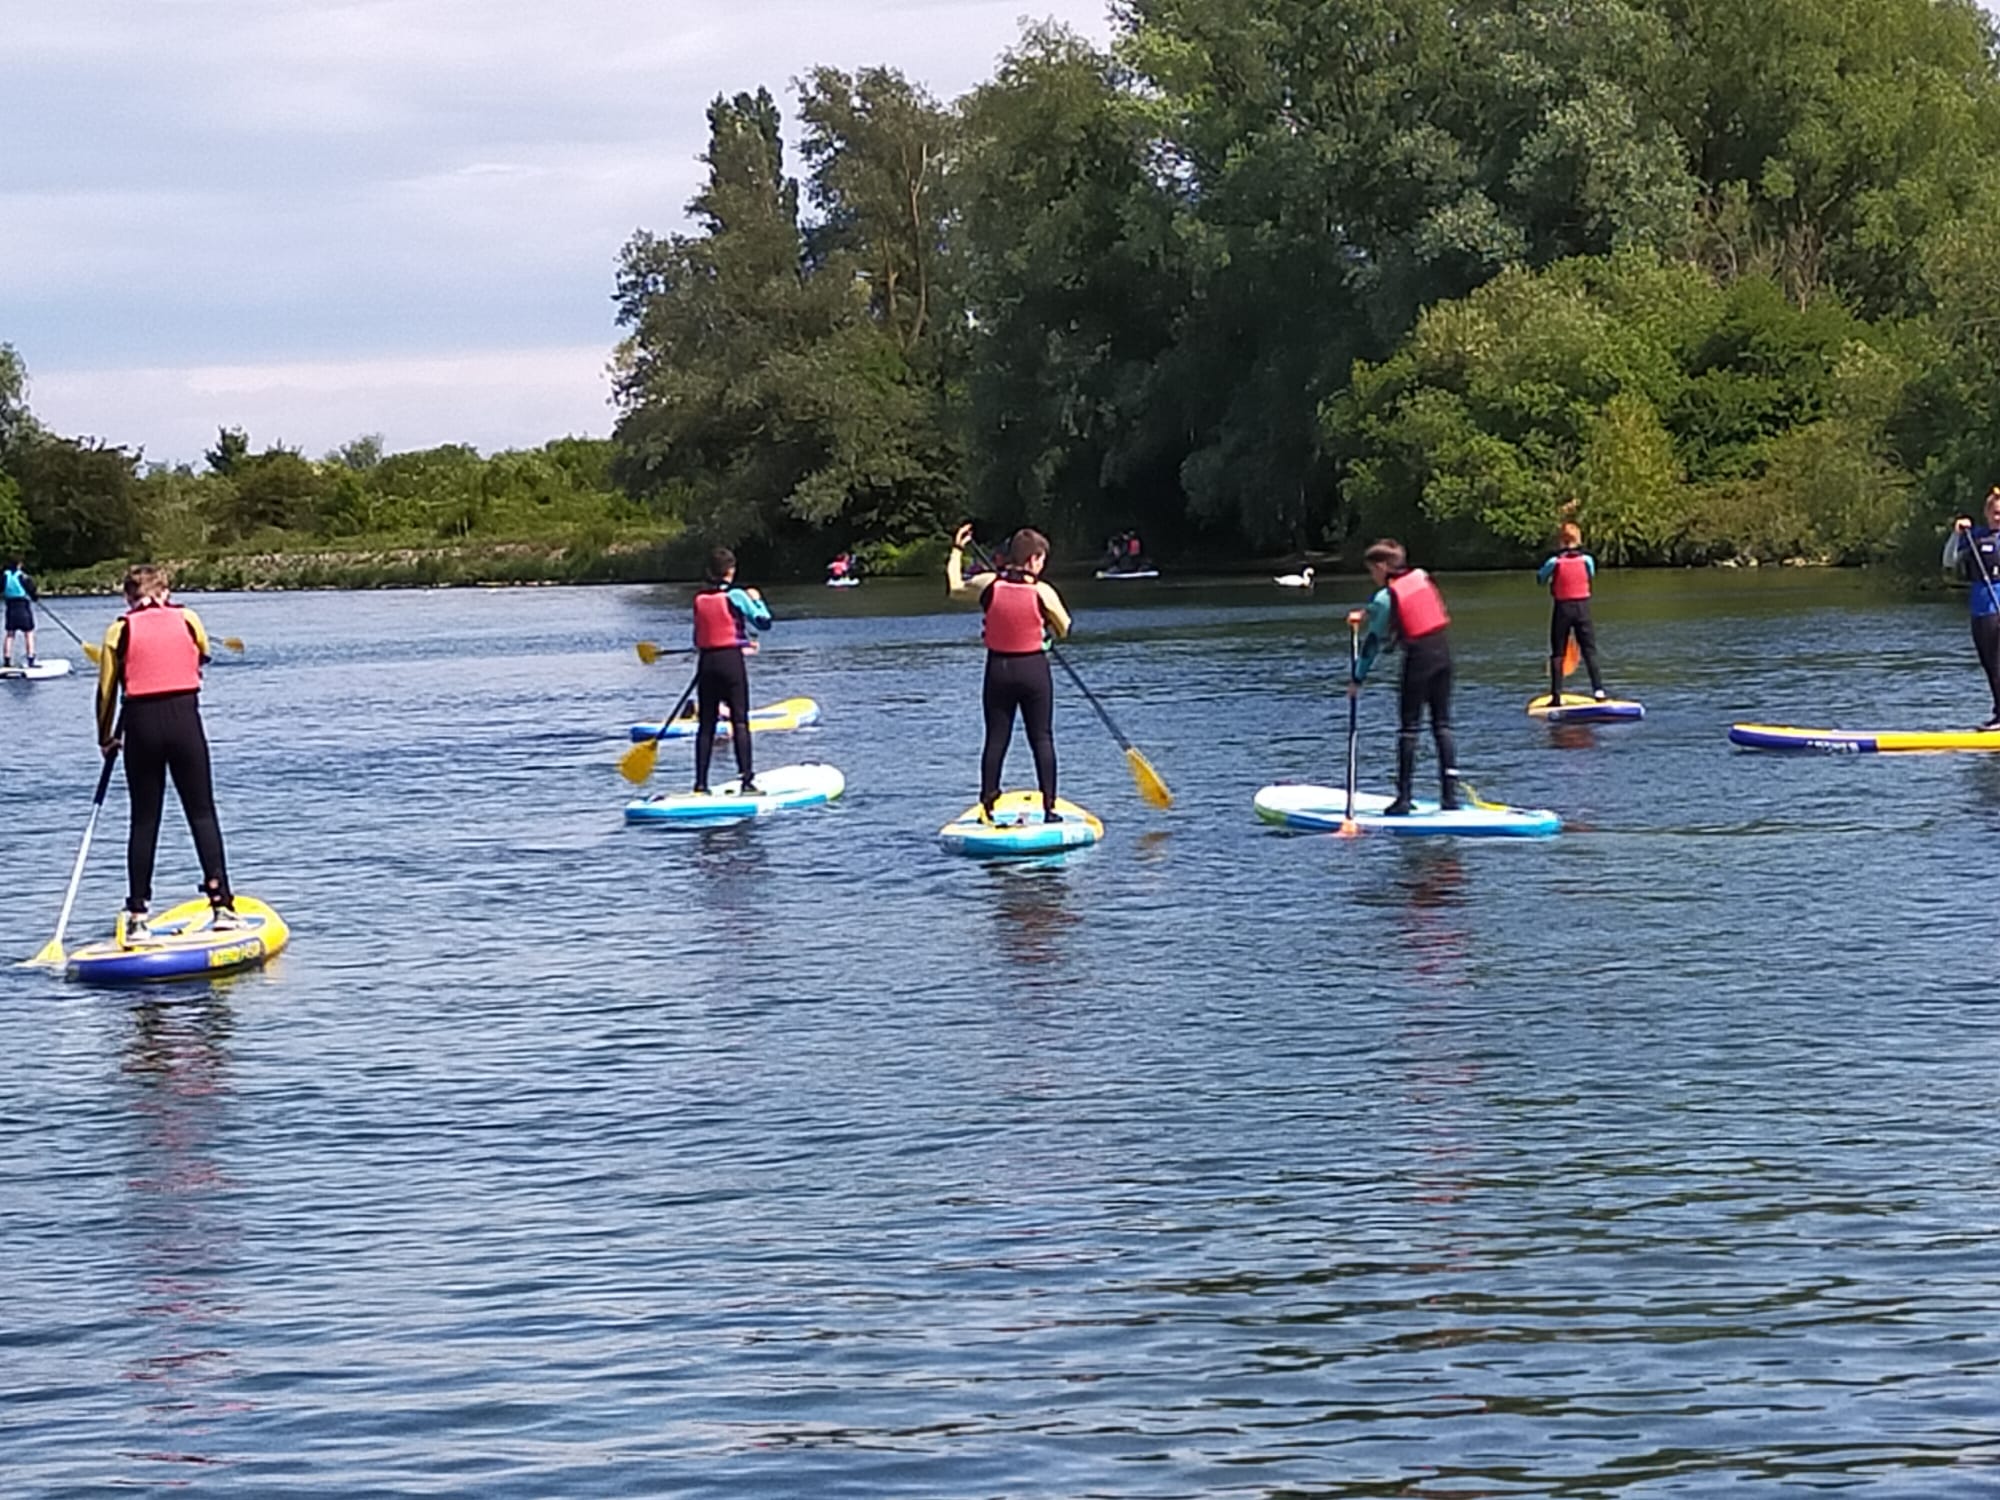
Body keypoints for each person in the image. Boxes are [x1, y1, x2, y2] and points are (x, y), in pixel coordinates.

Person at [95, 564, 241, 942]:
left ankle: (137, 914)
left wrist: (105, 737)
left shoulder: (118, 630)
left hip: (140, 727)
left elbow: (106, 691)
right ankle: (222, 906)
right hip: (184, 723)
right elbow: (202, 653)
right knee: (202, 813)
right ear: (164, 592)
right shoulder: (188, 618)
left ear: (128, 597)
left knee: (144, 820)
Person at [948, 522, 1072, 822]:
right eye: (1042, 560)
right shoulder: (1042, 591)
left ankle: (988, 806)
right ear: (1033, 559)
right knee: (1041, 738)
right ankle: (1049, 808)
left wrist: (957, 549)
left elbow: (954, 588)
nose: (1042, 566)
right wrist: (1046, 627)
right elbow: (1064, 627)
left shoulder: (988, 584)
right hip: (1033, 670)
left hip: (998, 670)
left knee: (996, 739)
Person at [1349, 538, 1457, 815]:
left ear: (1382, 567)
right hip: (1443, 655)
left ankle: (1404, 799)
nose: (1372, 577)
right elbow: (1393, 608)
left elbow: (1373, 642)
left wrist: (1357, 679)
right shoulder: (1420, 577)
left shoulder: (1385, 596)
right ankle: (1450, 797)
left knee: (1409, 729)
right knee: (1442, 725)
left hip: (1419, 660)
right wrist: (1367, 612)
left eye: (1372, 571)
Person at [692, 547, 772, 793]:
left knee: (706, 724)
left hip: (706, 663)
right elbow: (764, 622)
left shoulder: (699, 598)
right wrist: (756, 600)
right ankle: (746, 780)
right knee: (739, 721)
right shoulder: (736, 595)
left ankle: (700, 784)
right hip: (730, 662)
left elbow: (698, 638)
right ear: (731, 571)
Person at [1944, 488, 2000, 730]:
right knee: (1989, 665)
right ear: (1987, 513)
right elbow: (1948, 561)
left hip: (1997, 607)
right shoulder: (1975, 537)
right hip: (1980, 610)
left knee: (1998, 663)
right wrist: (1956, 535)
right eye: (1995, 512)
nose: (1998, 517)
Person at [1536, 521, 1607, 704]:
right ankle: (1599, 691)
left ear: (1561, 541)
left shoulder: (1554, 562)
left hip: (1562, 609)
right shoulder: (1587, 560)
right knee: (1589, 651)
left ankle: (1556, 696)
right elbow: (1590, 575)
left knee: (1558, 653)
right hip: (1582, 608)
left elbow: (1540, 579)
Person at [3, 556, 37, 667]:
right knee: (29, 633)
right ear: (19, 565)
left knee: (10, 634)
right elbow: (31, 589)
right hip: (22, 606)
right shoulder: (22, 576)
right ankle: (30, 659)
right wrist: (35, 597)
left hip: (10, 607)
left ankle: (7, 660)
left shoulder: (4, 576)